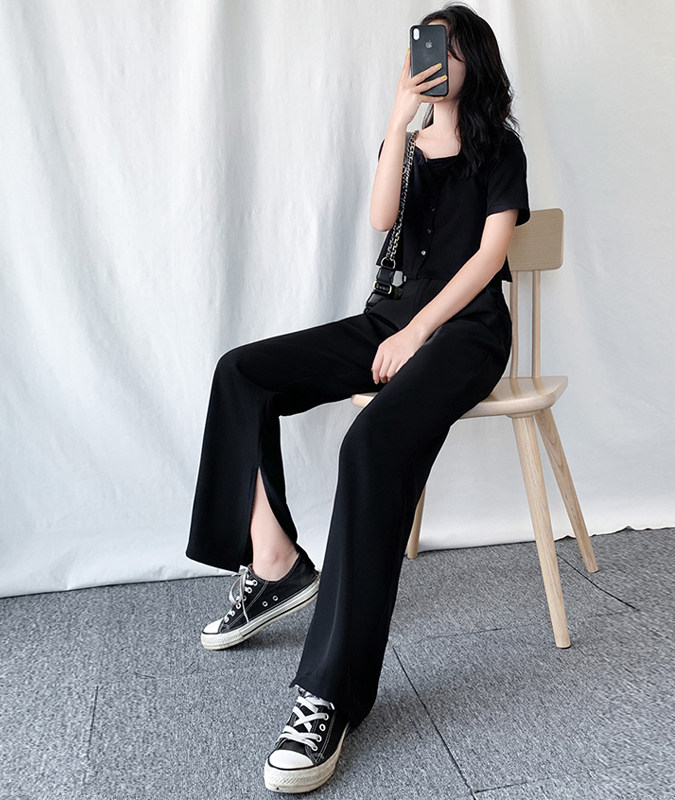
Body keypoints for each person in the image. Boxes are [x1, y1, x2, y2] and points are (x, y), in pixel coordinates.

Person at [185, 3, 530, 793]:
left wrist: (420, 334)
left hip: (467, 334)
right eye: (423, 45)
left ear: (473, 59)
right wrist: (398, 119)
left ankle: (329, 694)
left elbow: (489, 257)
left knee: (368, 443)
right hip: (388, 319)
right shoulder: (404, 140)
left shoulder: (499, 146)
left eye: (446, 47)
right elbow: (381, 218)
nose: (431, 58)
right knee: (241, 372)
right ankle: (275, 562)